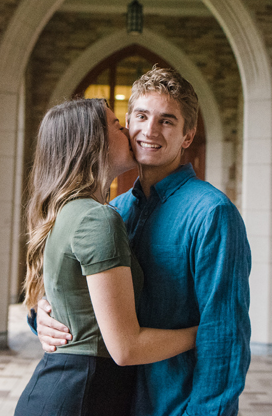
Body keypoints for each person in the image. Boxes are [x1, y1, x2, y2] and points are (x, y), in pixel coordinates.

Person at [35, 67, 252, 416]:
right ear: (128, 123)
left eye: (167, 121)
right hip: (111, 402)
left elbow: (225, 334)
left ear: (187, 136)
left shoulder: (212, 214)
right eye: (141, 116)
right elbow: (80, 294)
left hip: (176, 405)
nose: (150, 131)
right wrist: (42, 316)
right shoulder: (113, 212)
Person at [15, 98, 198, 416]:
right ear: (92, 142)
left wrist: (40, 314)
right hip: (81, 395)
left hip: (74, 391)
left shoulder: (76, 211)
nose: (128, 130)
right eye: (117, 125)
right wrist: (203, 332)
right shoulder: (95, 218)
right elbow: (126, 348)